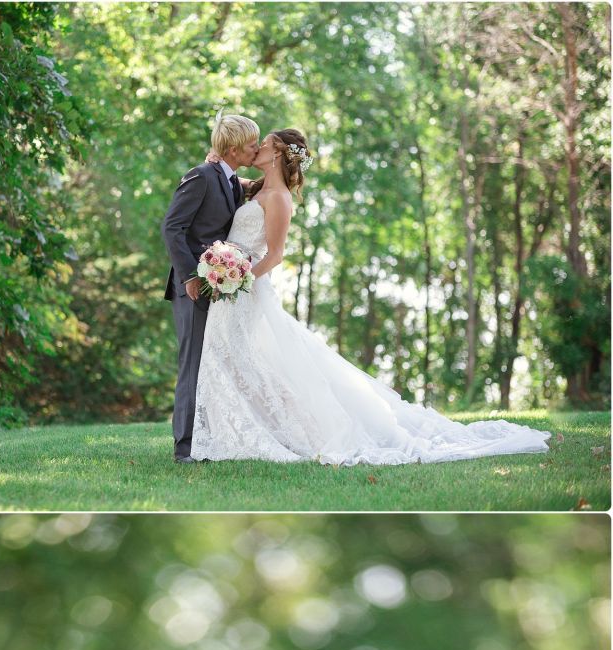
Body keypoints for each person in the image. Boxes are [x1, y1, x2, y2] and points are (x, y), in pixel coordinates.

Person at [191, 130, 552, 465]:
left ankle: (278, 432)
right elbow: (225, 181)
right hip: (233, 291)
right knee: (237, 361)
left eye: (264, 143)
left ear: (278, 153)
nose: (257, 148)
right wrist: (215, 164)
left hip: (245, 291)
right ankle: (234, 431)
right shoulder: (254, 189)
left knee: (256, 363)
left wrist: (237, 281)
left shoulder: (280, 199)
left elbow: (276, 255)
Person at [161, 110, 260, 462]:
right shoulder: (201, 176)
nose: (257, 149)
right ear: (233, 149)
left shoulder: (232, 181)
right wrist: (189, 274)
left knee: (212, 362)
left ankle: (207, 440)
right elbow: (172, 227)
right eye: (251, 144)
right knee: (193, 363)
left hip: (219, 285)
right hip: (192, 287)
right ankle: (184, 447)